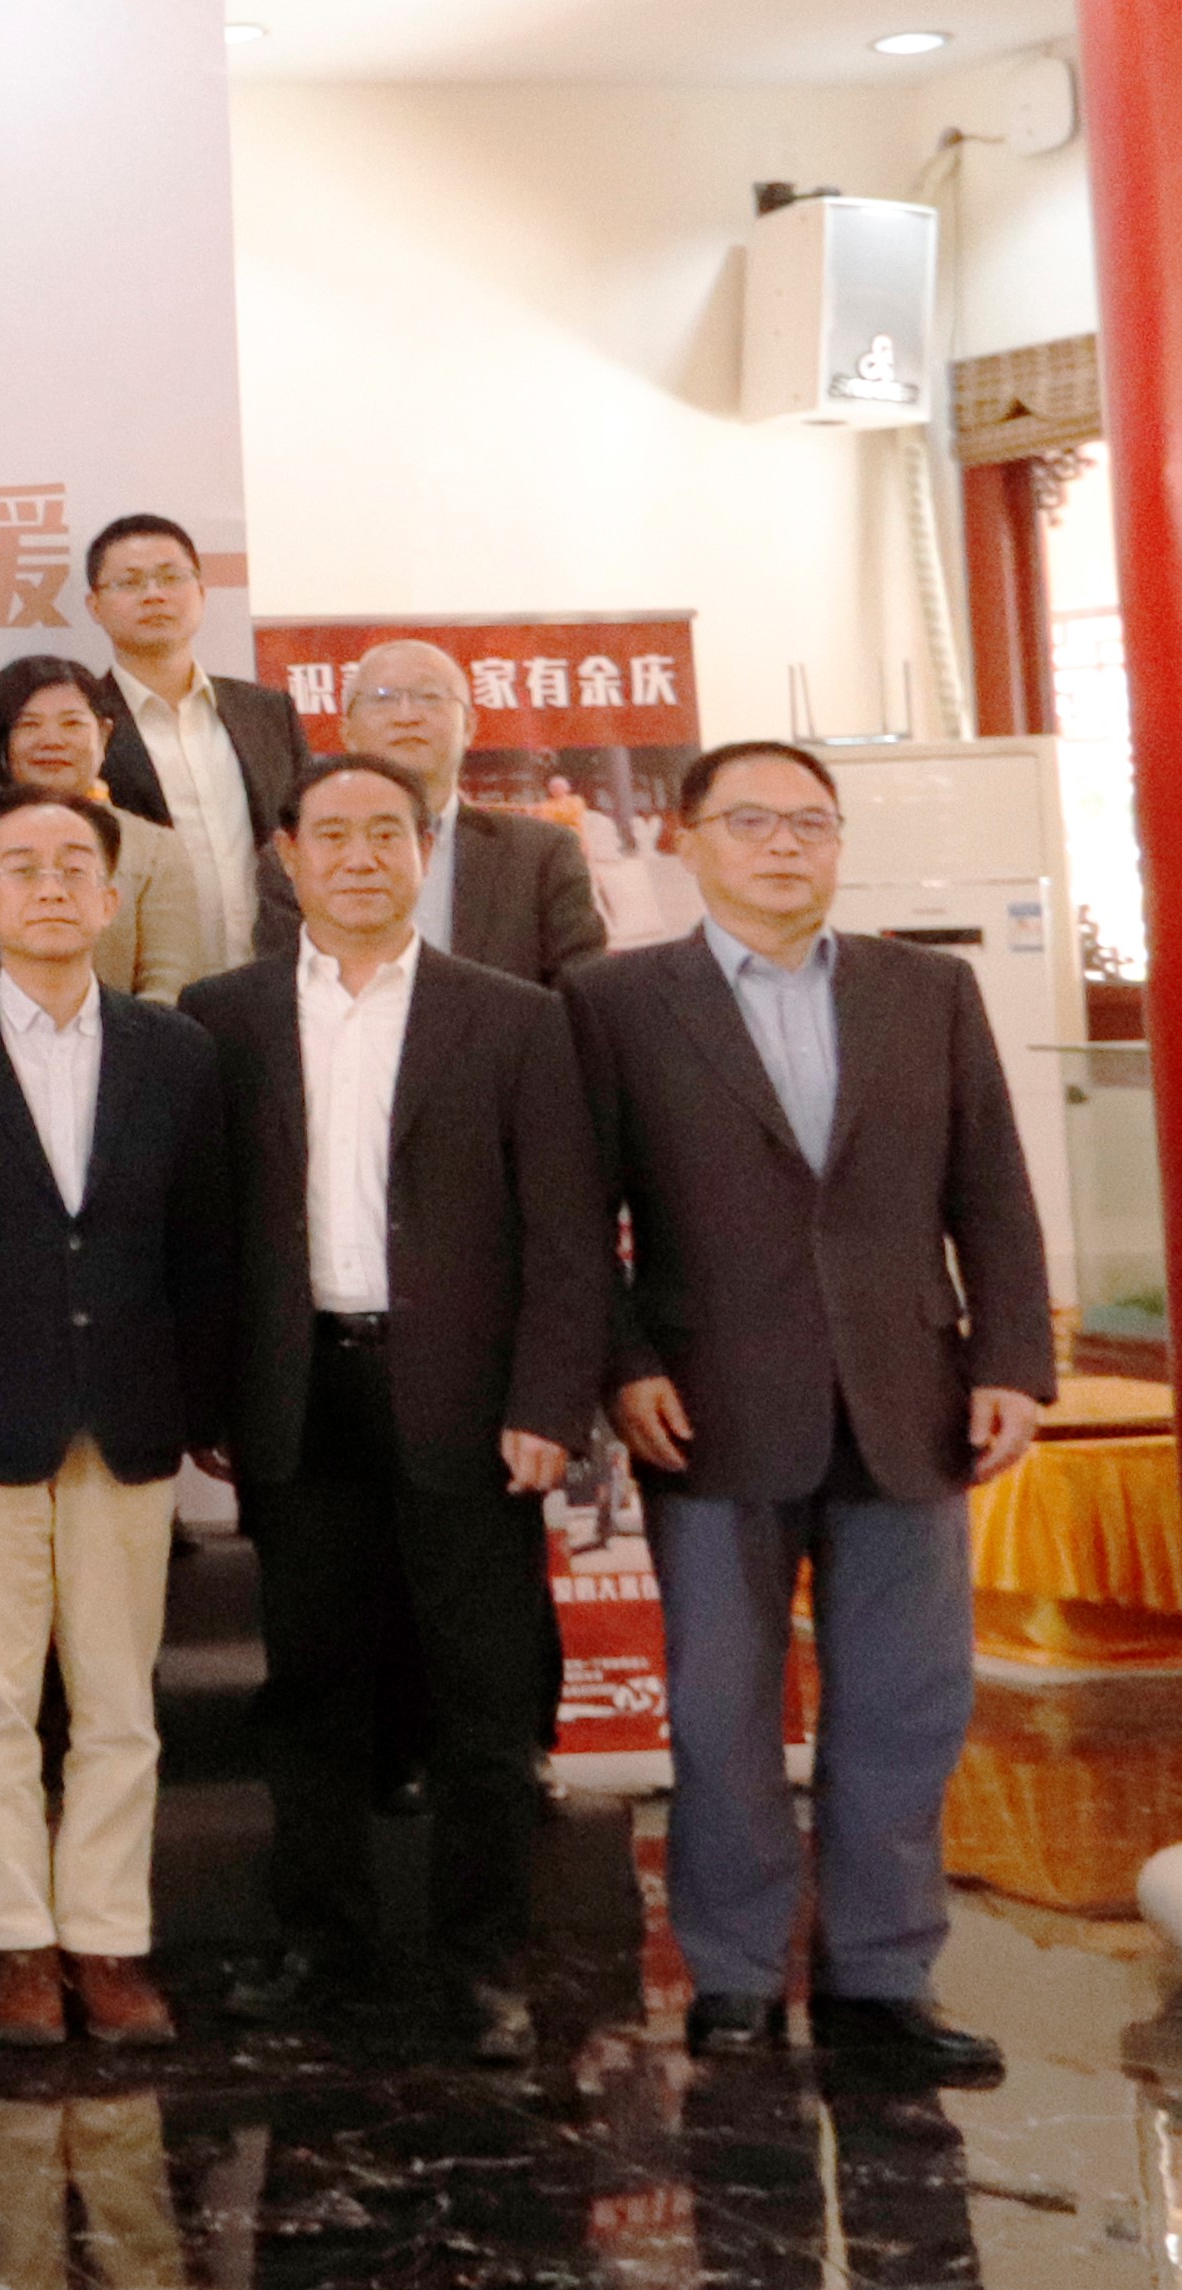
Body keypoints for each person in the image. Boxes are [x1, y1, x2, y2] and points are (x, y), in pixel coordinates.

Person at [566, 739, 1048, 2079]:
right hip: (706, 1403)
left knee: (904, 1703)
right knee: (719, 1709)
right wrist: (621, 1362)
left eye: (810, 822)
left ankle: (878, 1977)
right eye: (750, 820)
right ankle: (729, 1974)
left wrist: (1009, 1360)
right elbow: (573, 1213)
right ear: (685, 838)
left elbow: (989, 1189)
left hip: (908, 1393)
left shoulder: (924, 990)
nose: (783, 844)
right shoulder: (612, 999)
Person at [185, 754, 609, 2064]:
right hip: (297, 1391)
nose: (359, 856)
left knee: (481, 1697)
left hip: (469, 1404)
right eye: (332, 834)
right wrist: (211, 1388)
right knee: (309, 1686)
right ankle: (319, 1942)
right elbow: (200, 1227)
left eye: (387, 832)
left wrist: (548, 1399)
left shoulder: (511, 1018)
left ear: (424, 850)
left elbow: (566, 1236)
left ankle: (482, 1962)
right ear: (285, 855)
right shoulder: (221, 1017)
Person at [0, 782, 234, 2049]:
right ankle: (16, 1944)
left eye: (73, 864)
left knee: (117, 1699)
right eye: (19, 866)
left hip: (126, 1412)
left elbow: (204, 1245)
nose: (48, 886)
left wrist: (207, 1401)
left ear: (111, 894)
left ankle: (106, 1940)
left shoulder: (174, 1053)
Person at [284, 640, 606, 986]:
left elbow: (580, 997)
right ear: (346, 731)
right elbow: (281, 989)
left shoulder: (542, 855)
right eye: (383, 698)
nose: (406, 716)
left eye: (429, 696)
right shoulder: (297, 858)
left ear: (469, 726)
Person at [83, 513, 307, 970]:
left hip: (273, 976)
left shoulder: (268, 713)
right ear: (95, 606)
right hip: (149, 983)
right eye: (129, 582)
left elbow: (303, 841)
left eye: (171, 577)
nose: (153, 595)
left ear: (202, 593)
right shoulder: (83, 723)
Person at [0, 657, 203, 1000]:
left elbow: (169, 985)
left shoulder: (156, 851)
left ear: (104, 734)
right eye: (28, 725)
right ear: (1, 741)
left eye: (72, 723)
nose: (51, 740)